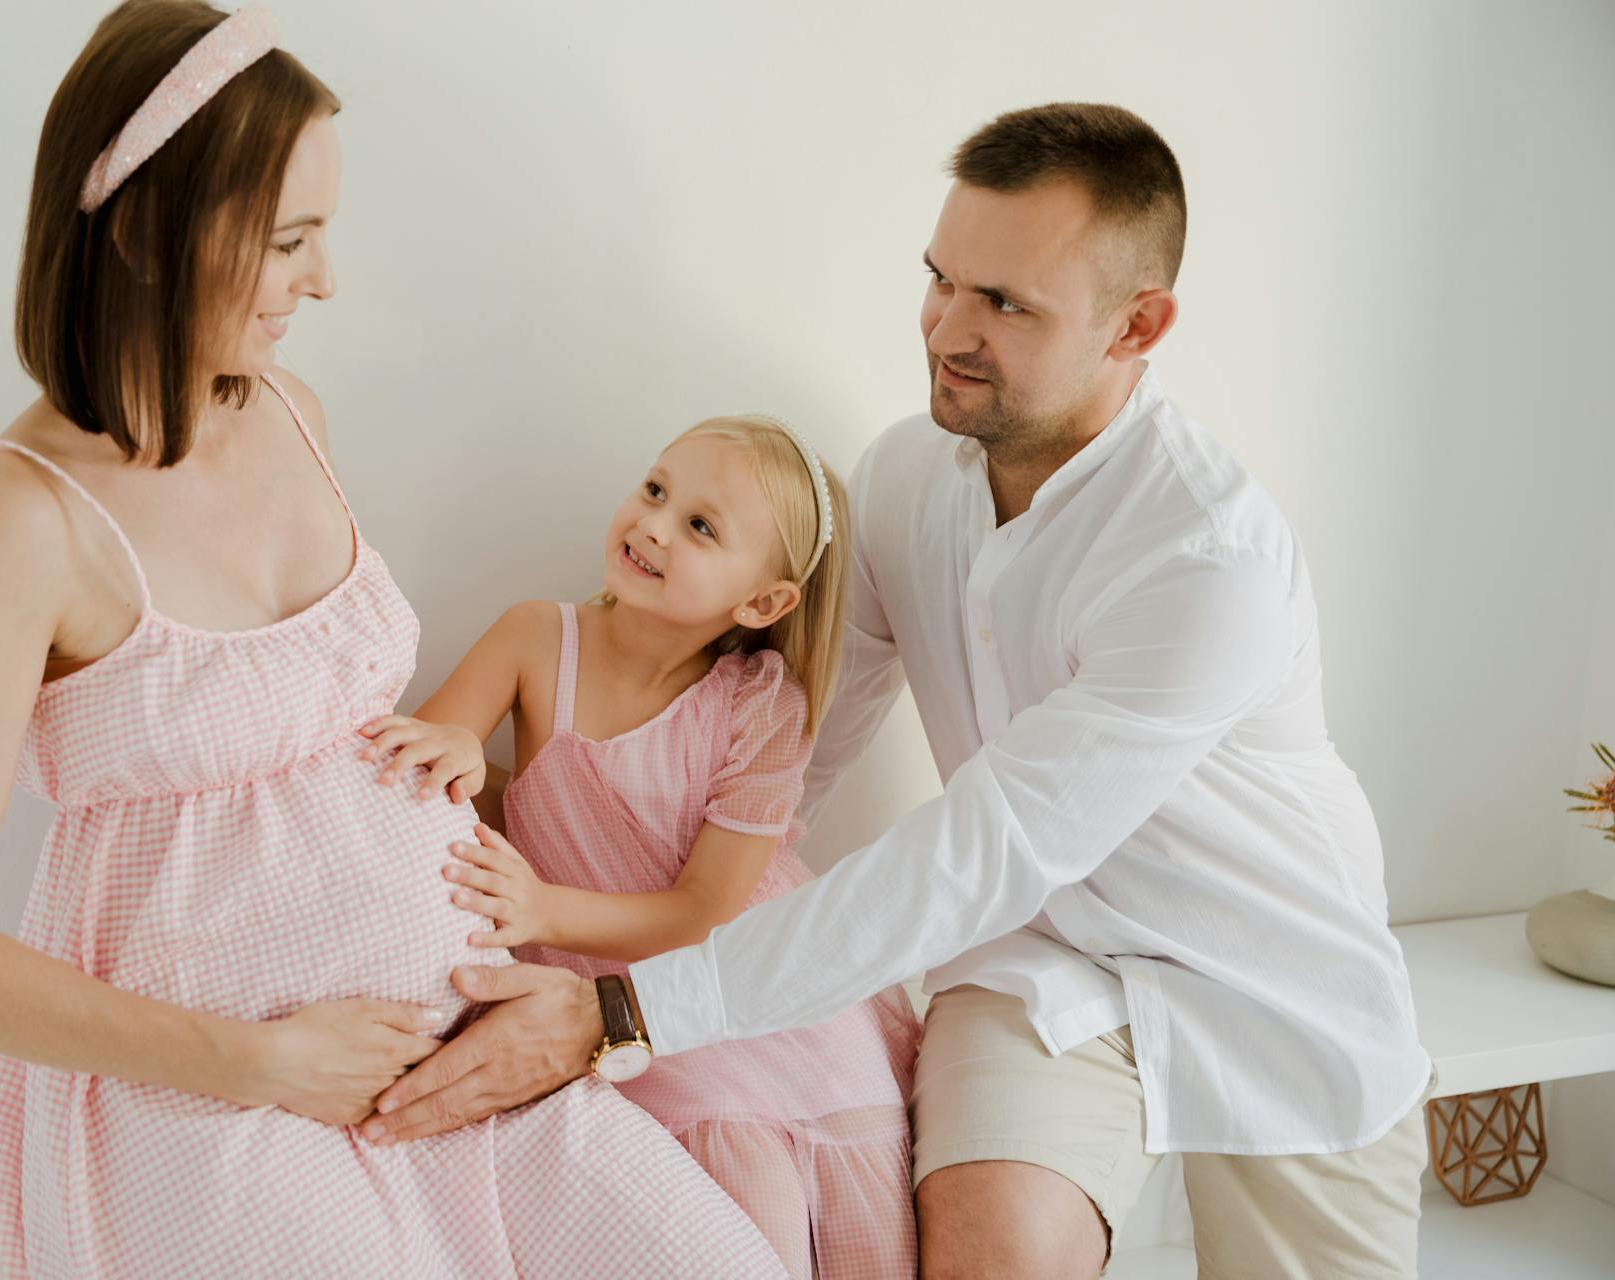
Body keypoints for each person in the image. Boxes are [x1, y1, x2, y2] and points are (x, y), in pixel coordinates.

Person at [364, 102, 1435, 1279]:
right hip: (1038, 961)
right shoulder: (907, 480)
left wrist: (631, 1010)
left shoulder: (1204, 559)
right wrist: (566, 856)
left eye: (1005, 304)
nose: (946, 328)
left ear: (1140, 324)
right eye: (942, 279)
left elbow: (988, 842)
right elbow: (787, 768)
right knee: (990, 1253)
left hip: (1267, 978)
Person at [0, 3, 784, 1275]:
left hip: (463, 1047)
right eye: (289, 239)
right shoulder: (20, 516)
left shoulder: (293, 409)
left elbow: (322, 737)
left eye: (323, 234)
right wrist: (262, 1061)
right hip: (224, 1093)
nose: (324, 280)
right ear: (139, 228)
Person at [357, 414, 920, 1276]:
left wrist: (541, 907)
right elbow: (417, 763)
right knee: (752, 1235)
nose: (654, 524)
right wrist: (468, 750)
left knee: (868, 1249)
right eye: (656, 490)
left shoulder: (763, 706)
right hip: (648, 1025)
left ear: (763, 602)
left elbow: (702, 912)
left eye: (701, 526)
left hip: (762, 998)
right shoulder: (537, 638)